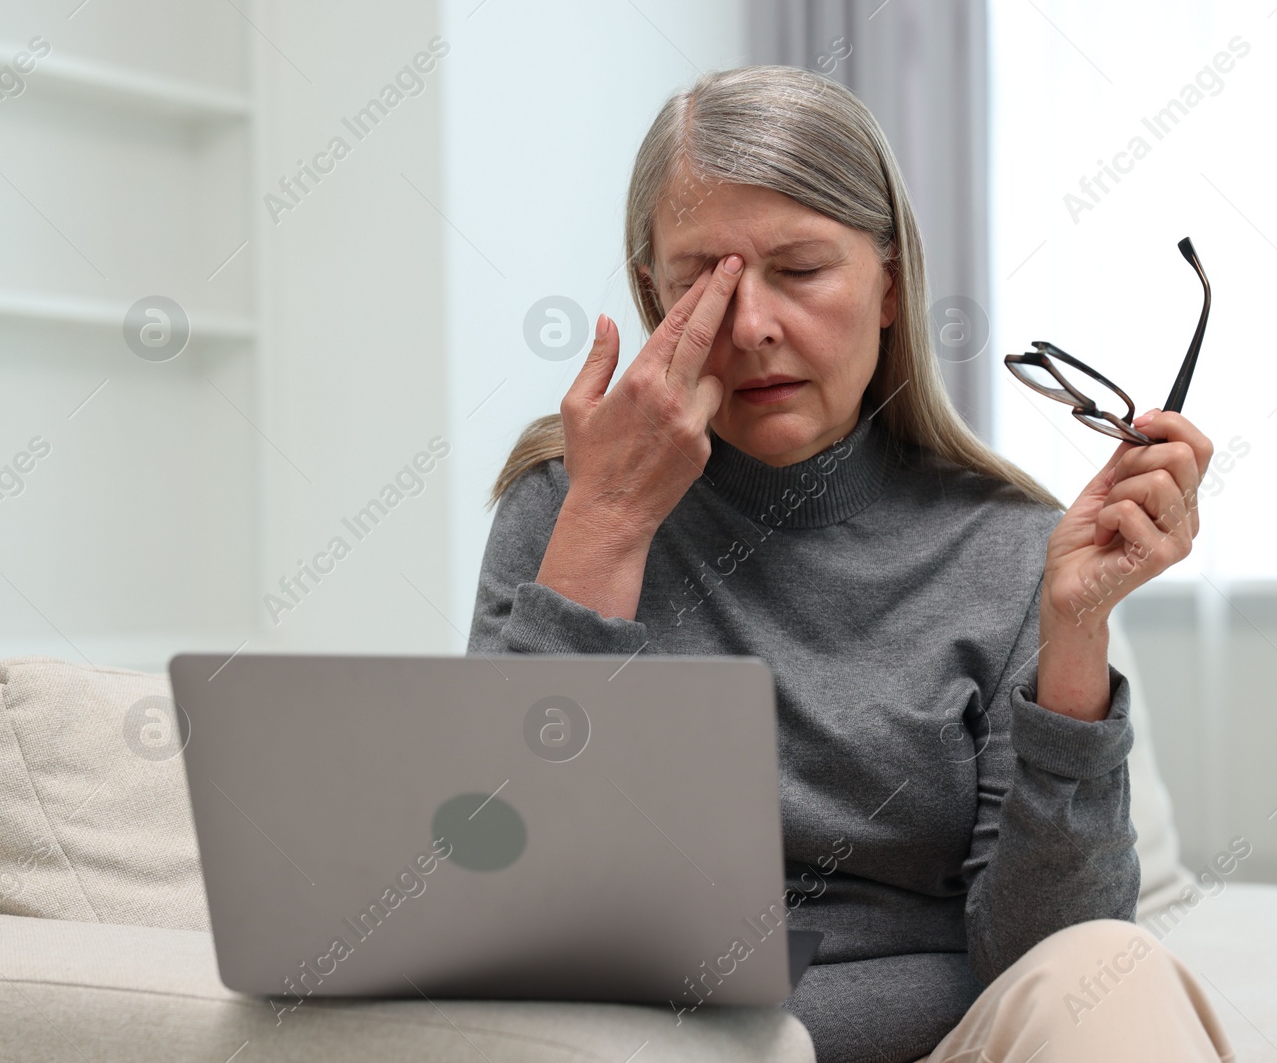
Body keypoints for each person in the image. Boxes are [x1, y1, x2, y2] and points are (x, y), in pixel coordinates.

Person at [468, 64, 1235, 1063]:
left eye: (799, 269)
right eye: (706, 277)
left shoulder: (1007, 548)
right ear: (653, 291)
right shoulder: (567, 503)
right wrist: (607, 523)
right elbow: (494, 887)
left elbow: (1053, 954)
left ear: (887, 283)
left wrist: (1073, 636)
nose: (750, 328)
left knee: (1117, 975)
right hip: (648, 1046)